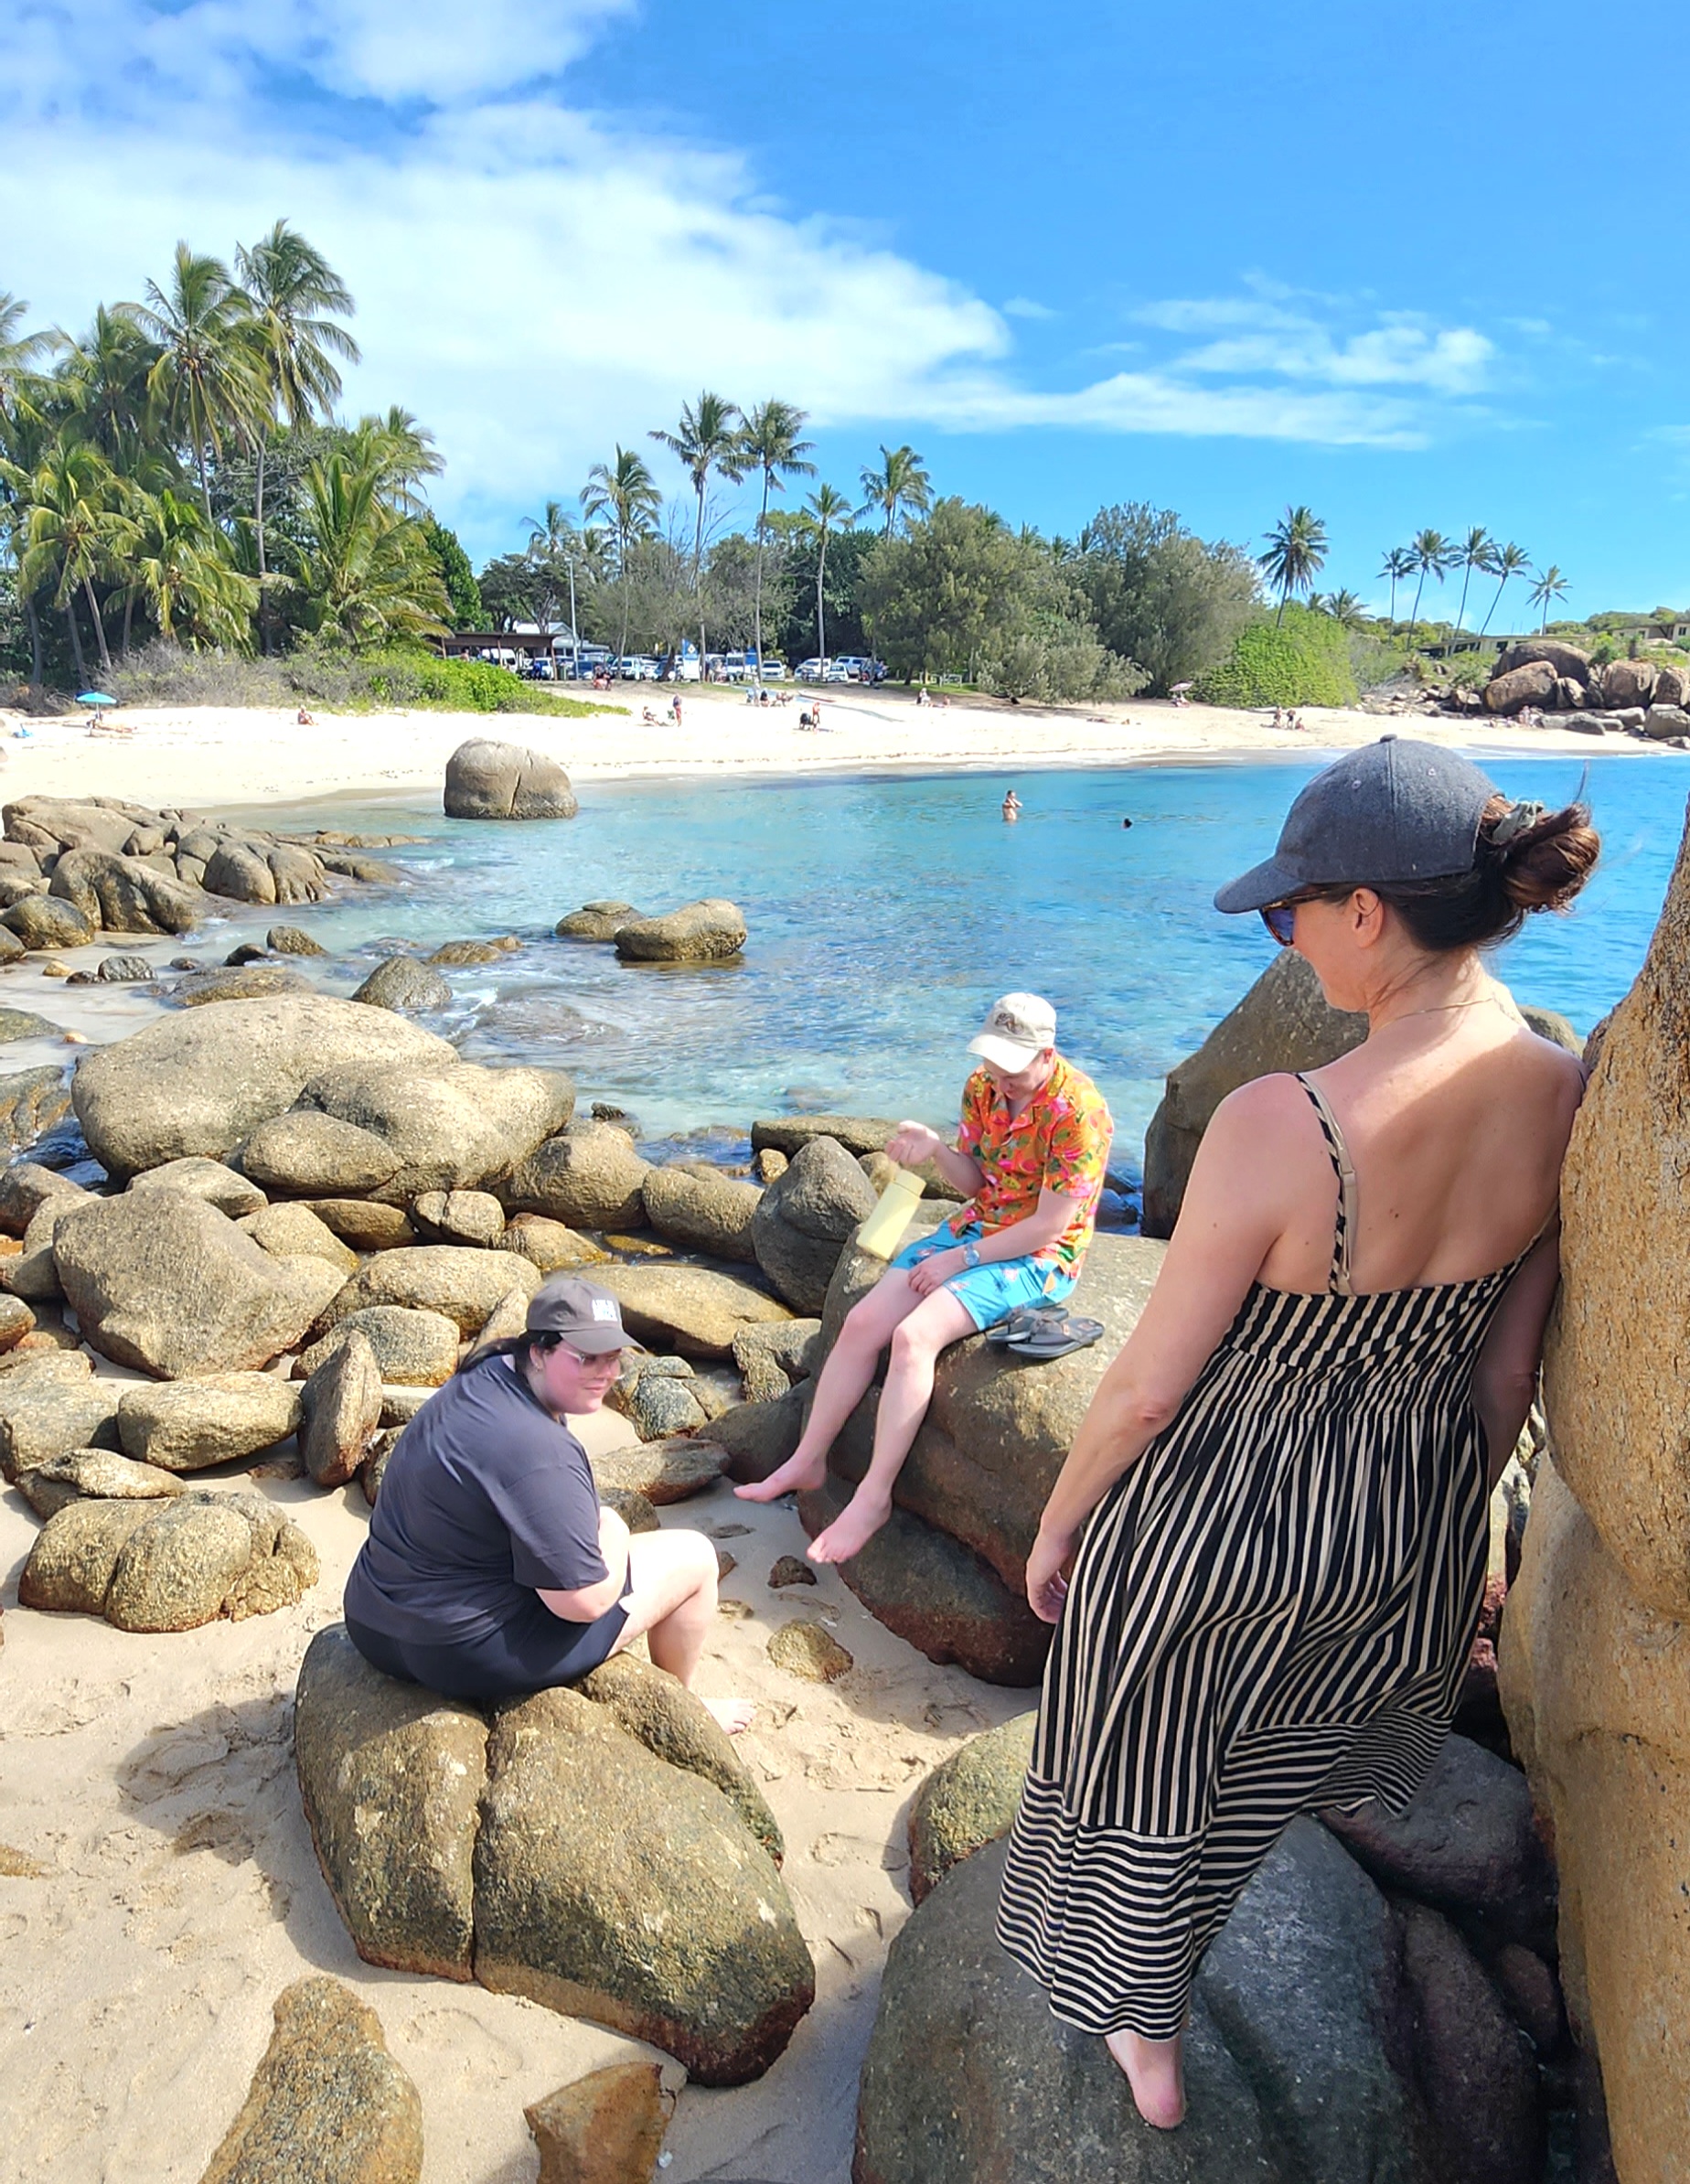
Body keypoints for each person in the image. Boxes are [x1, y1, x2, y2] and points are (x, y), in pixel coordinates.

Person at [995, 738, 1599, 2129]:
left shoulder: (1285, 1119)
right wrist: (1441, 1538)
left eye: (1289, 912)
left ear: (1366, 912)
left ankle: (1143, 2025)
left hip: (1217, 1515)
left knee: (1141, 1770)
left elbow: (1148, 1390)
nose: (1285, 938)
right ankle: (1171, 1986)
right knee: (1254, 1782)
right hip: (1402, 1515)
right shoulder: (1560, 1091)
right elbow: (1506, 1371)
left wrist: (1062, 1520)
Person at [740, 993, 1113, 1563]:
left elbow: (1050, 1225)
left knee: (915, 1337)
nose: (999, 1079)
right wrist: (937, 1150)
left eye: (1012, 1070)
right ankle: (808, 1459)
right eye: (993, 1063)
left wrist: (960, 1262)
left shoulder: (1078, 1113)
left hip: (1041, 1256)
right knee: (863, 1322)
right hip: (977, 1225)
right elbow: (977, 1183)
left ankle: (873, 1496)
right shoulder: (983, 1087)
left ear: (1047, 1055)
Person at [344, 1275, 751, 1729]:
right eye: (586, 1358)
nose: (606, 1373)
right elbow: (583, 1603)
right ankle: (690, 1713)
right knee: (696, 1558)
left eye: (614, 1357)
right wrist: (614, 1530)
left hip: (371, 1617)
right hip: (458, 1651)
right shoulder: (539, 1449)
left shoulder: (486, 1370)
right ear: (538, 1351)